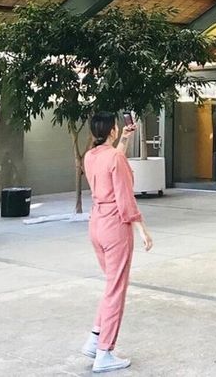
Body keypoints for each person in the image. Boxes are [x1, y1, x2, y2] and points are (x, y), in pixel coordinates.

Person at [81, 111, 153, 373]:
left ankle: (94, 339)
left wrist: (124, 139)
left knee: (111, 286)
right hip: (115, 226)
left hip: (96, 223)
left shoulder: (91, 156)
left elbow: (112, 162)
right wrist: (142, 227)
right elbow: (124, 196)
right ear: (112, 130)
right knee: (116, 290)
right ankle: (104, 352)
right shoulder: (116, 157)